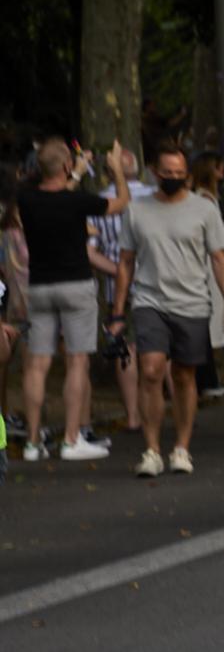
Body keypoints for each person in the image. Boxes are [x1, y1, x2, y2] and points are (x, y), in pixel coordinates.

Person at [120, 140, 224, 478]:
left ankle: (182, 447)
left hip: (192, 302)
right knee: (152, 369)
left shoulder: (204, 210)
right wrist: (118, 311)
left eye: (179, 173)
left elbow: (219, 258)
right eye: (167, 172)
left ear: (187, 175)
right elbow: (126, 261)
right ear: (155, 173)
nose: (173, 177)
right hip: (149, 300)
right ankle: (152, 449)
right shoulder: (137, 209)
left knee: (185, 376)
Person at [13, 140, 114, 461]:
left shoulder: (26, 200)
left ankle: (32, 442)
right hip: (76, 285)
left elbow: (54, 196)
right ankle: (71, 438)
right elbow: (120, 203)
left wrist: (73, 171)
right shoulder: (76, 200)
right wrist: (115, 173)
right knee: (77, 360)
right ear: (67, 166)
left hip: (40, 287)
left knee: (37, 364)